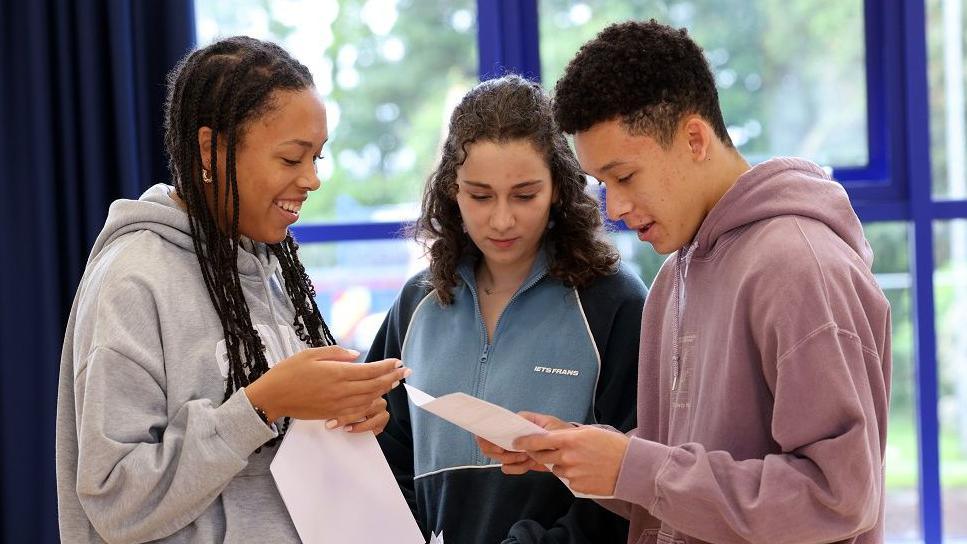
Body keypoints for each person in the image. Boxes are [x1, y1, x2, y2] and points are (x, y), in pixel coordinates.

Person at [479, 20, 892, 544]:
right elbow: (674, 486)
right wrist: (583, 454)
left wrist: (637, 466)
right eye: (602, 184)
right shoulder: (675, 276)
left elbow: (838, 497)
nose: (617, 208)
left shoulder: (800, 267)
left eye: (625, 177)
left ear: (694, 138)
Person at [55, 36, 409, 543]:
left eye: (318, 158)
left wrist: (341, 413)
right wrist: (262, 406)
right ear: (211, 149)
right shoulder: (133, 282)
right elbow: (115, 500)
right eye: (291, 160)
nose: (311, 180)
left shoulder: (267, 266)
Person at [368, 75, 647, 543]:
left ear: (558, 187)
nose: (501, 219)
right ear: (451, 191)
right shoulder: (416, 304)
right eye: (479, 195)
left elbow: (636, 483)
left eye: (524, 195)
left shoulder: (615, 303)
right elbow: (380, 458)